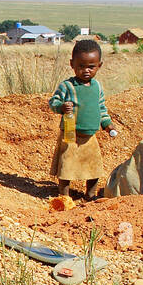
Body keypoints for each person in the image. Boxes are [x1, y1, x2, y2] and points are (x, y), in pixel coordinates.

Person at [47, 39, 119, 200]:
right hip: (71, 132)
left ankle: (90, 194)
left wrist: (108, 126)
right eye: (81, 66)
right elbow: (53, 103)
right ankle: (64, 195)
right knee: (67, 165)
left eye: (91, 67)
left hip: (90, 135)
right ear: (72, 64)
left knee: (94, 167)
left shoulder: (97, 87)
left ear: (99, 65)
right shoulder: (67, 86)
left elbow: (101, 109)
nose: (86, 70)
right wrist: (61, 107)